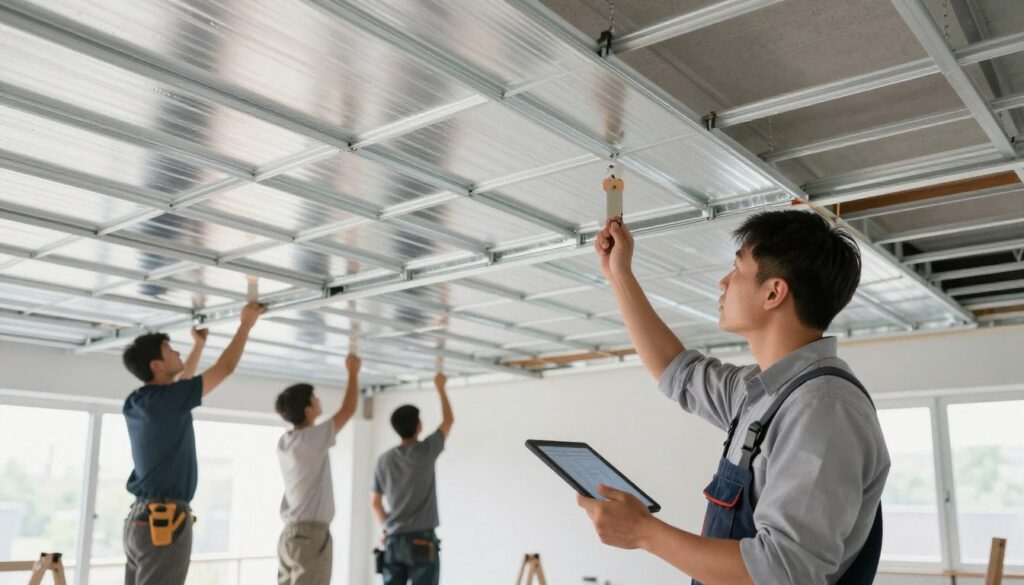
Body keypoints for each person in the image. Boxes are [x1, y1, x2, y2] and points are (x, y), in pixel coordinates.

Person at [579, 210, 890, 585]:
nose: (724, 282)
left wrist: (644, 532)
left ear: (773, 292)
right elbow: (678, 372)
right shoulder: (764, 393)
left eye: (737, 268)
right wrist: (619, 275)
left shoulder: (822, 409)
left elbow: (783, 572)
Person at [121, 301, 265, 585]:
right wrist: (246, 324)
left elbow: (180, 386)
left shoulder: (139, 401)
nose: (177, 352)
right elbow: (225, 368)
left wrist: (198, 346)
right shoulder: (168, 401)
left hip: (141, 522)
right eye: (170, 350)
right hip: (162, 521)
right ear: (156, 365)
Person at [275, 353, 362, 585]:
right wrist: (353, 372)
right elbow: (348, 409)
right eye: (314, 398)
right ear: (308, 410)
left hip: (290, 535)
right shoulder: (311, 439)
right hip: (309, 537)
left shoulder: (286, 441)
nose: (318, 400)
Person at [370, 373, 454, 585]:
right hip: (421, 541)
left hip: (393, 540)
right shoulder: (426, 450)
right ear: (419, 425)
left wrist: (386, 528)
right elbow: (448, 421)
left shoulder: (384, 460)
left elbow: (375, 503)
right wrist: (441, 387)